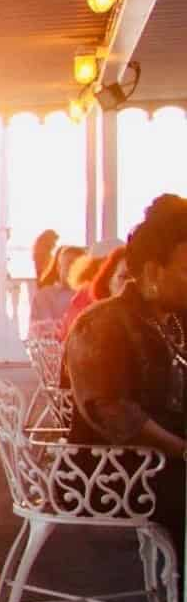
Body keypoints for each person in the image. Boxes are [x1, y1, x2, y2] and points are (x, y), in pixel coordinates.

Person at [65, 194, 187, 560]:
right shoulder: (102, 323)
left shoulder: (175, 320)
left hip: (160, 463)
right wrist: (182, 450)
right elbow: (111, 410)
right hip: (111, 472)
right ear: (152, 272)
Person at [65, 245, 128, 338]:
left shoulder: (151, 323)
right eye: (124, 277)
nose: (130, 284)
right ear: (108, 281)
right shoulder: (90, 319)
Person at [29, 243, 83, 332]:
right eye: (69, 263)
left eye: (78, 265)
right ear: (59, 267)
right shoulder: (45, 295)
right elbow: (45, 327)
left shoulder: (89, 296)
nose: (73, 268)